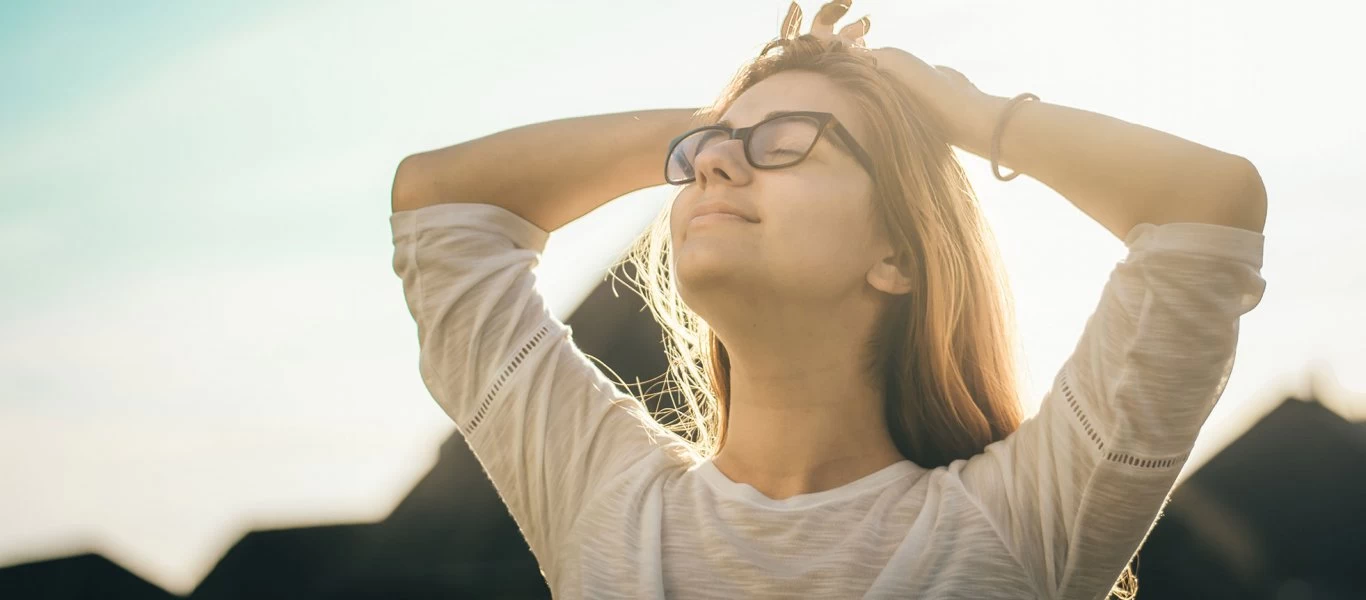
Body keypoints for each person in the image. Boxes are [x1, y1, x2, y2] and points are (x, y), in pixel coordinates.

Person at [388, 1, 1268, 597]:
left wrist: (960, 111)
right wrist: (720, 119)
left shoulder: (1020, 521)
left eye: (786, 145)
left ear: (898, 254)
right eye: (704, 155)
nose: (716, 163)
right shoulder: (602, 496)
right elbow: (440, 204)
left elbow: (1205, 208)